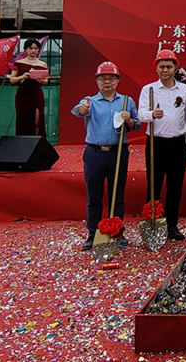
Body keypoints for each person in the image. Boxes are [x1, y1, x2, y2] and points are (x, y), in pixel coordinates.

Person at [71, 61, 140, 251]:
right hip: (94, 153)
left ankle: (117, 232)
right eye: (103, 78)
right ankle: (93, 233)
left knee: (117, 195)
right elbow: (77, 111)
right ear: (97, 81)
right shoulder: (89, 101)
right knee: (94, 195)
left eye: (111, 78)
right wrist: (82, 110)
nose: (107, 82)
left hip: (118, 152)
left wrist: (129, 120)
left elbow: (137, 124)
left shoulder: (126, 101)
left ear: (117, 81)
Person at [138, 49, 186, 241]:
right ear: (156, 68)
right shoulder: (149, 90)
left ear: (175, 68)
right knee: (154, 185)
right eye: (162, 66)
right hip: (156, 143)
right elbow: (140, 114)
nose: (165, 70)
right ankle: (153, 223)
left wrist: (185, 137)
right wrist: (151, 115)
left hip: (177, 144)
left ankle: (172, 226)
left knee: (175, 187)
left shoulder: (184, 90)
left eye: (169, 66)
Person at [9, 38, 49, 137]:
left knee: (37, 121)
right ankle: (23, 143)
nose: (33, 51)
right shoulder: (18, 63)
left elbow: (46, 81)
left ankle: (37, 142)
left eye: (36, 48)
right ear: (25, 50)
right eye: (31, 48)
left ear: (38, 50)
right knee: (23, 120)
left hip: (37, 94)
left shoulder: (42, 64)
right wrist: (22, 76)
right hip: (23, 94)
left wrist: (40, 80)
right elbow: (12, 79)